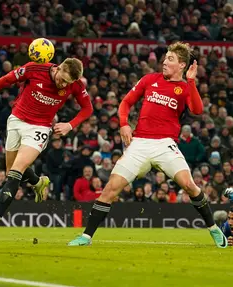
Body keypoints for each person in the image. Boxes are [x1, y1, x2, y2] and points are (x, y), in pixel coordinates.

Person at [68, 42, 228, 248]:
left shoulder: (185, 87)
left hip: (165, 144)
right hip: (140, 143)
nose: (164, 61)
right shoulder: (149, 79)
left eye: (170, 59)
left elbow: (197, 110)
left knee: (189, 185)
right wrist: (124, 125)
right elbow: (125, 103)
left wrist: (192, 82)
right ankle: (86, 237)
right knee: (110, 189)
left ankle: (213, 228)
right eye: (165, 57)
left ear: (181, 65)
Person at [0, 58, 93, 239]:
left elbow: (87, 108)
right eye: (62, 79)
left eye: (68, 83)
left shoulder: (75, 85)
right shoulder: (34, 68)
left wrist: (70, 125)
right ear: (58, 68)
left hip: (40, 128)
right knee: (10, 170)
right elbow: (5, 80)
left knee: (15, 171)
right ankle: (37, 182)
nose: (63, 84)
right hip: (16, 121)